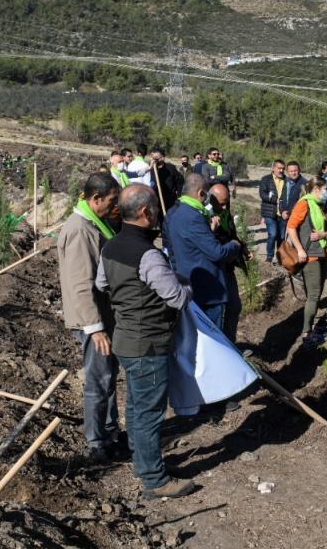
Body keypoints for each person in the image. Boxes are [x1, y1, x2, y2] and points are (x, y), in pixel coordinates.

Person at [96, 184, 196, 500]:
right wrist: (186, 284)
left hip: (125, 340)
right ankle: (154, 478)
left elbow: (101, 283)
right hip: (149, 344)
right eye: (154, 207)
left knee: (137, 407)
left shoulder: (110, 247)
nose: (156, 213)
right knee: (150, 412)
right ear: (144, 212)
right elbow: (177, 299)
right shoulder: (149, 255)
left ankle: (142, 462)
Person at [58, 172, 123, 462]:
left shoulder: (93, 223)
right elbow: (80, 284)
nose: (114, 207)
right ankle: (96, 442)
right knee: (98, 380)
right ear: (95, 199)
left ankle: (110, 431)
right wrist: (95, 328)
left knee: (108, 376)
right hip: (91, 322)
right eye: (111, 201)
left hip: (101, 317)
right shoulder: (80, 230)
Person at [163, 173, 242, 330]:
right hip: (207, 290)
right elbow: (217, 253)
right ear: (201, 193)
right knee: (212, 335)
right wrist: (235, 245)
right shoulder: (192, 216)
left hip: (191, 282)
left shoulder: (176, 213)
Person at [286, 178, 327, 345]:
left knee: (316, 293)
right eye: (325, 188)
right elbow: (291, 227)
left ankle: (311, 327)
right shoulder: (304, 204)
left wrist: (325, 235)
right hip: (309, 256)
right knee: (314, 295)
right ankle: (307, 333)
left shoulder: (320, 205)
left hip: (323, 254)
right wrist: (300, 249)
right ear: (316, 188)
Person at [206, 182, 248, 342]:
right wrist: (212, 229)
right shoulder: (204, 216)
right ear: (212, 200)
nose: (224, 207)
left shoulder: (226, 215)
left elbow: (233, 236)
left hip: (228, 267)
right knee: (216, 311)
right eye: (221, 203)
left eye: (227, 202)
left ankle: (230, 343)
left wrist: (242, 247)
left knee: (234, 306)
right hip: (213, 270)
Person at [259, 160, 303, 263]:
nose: (281, 170)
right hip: (270, 212)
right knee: (273, 234)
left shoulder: (286, 180)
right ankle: (269, 257)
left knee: (282, 236)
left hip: (283, 213)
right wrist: (275, 199)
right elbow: (262, 194)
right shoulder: (266, 179)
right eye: (279, 168)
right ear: (273, 168)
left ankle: (280, 257)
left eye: (283, 168)